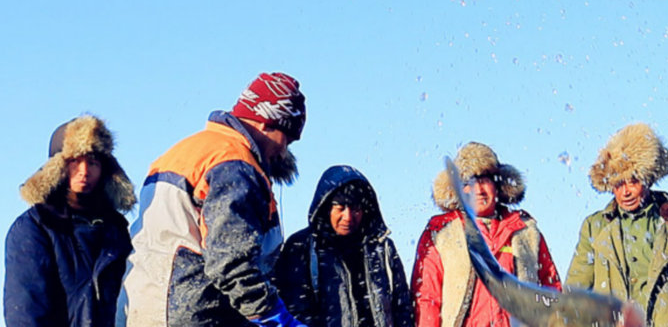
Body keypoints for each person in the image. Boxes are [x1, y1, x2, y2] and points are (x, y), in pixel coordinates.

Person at [117, 72, 307, 327]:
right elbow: (231, 263)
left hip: (141, 307)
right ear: (267, 123)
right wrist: (277, 318)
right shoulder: (235, 165)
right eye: (288, 139)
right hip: (192, 314)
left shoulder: (187, 151)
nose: (284, 151)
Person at [565, 122, 668, 327]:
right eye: (617, 183)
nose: (625, 192)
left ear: (648, 178)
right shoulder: (595, 228)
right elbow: (574, 298)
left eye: (633, 181)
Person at [4, 114, 136, 327]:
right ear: (56, 167)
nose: (84, 171)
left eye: (92, 162)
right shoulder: (34, 227)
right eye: (74, 161)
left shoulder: (117, 231)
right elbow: (26, 312)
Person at [412, 142, 561, 327]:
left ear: (497, 184)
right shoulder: (441, 232)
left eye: (485, 180)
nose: (479, 190)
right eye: (469, 183)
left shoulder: (525, 231)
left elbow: (552, 291)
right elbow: (426, 299)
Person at [272, 165, 413, 327]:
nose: (348, 217)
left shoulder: (382, 248)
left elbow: (402, 306)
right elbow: (295, 309)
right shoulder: (301, 247)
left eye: (355, 208)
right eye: (340, 208)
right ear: (326, 207)